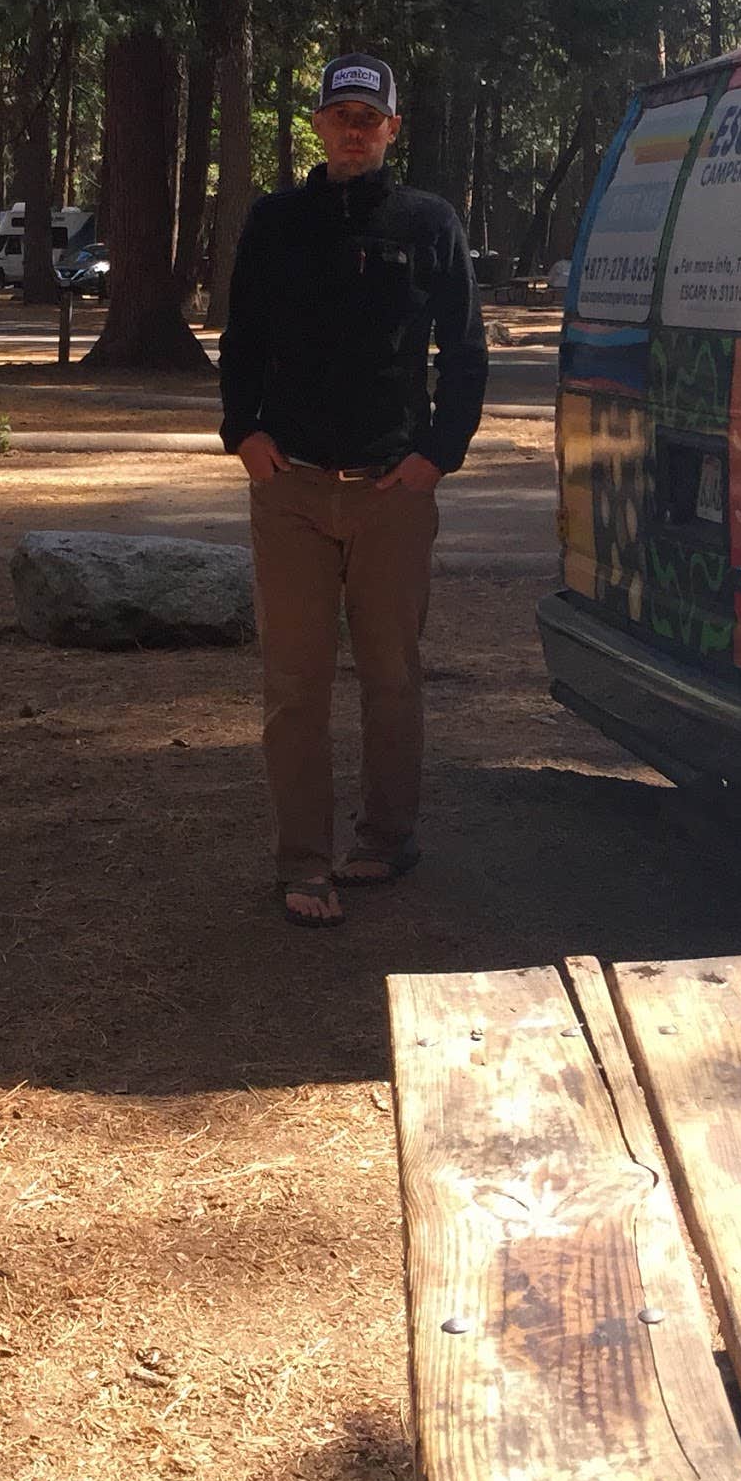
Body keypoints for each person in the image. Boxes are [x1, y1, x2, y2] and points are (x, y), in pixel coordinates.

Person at [220, 56, 486, 926]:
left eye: (368, 116)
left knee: (391, 676)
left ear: (391, 129)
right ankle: (302, 861)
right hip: (290, 486)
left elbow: (466, 350)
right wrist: (245, 435)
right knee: (295, 685)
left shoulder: (429, 223)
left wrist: (436, 455)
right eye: (338, 114)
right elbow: (243, 336)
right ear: (316, 125)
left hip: (392, 492)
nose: (353, 129)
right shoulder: (275, 222)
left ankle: (384, 839)